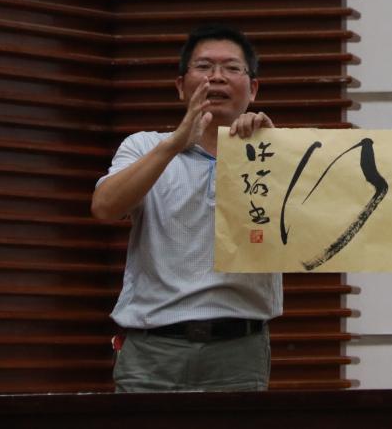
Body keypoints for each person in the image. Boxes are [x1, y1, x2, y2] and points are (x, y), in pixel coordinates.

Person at [92, 24, 282, 392]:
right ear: (181, 86)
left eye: (232, 68)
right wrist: (175, 143)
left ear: (253, 89)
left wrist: (272, 156)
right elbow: (104, 208)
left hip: (239, 349)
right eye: (204, 66)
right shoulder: (144, 145)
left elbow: (302, 233)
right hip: (152, 347)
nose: (217, 77)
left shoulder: (275, 154)